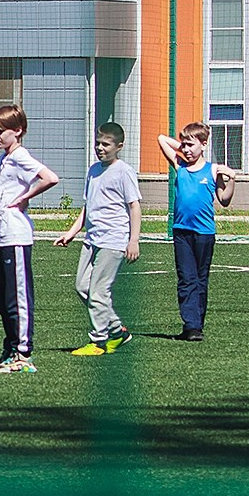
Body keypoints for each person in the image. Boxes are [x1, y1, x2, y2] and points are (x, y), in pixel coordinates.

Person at [53, 121, 142, 356]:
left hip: (113, 240)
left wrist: (133, 240)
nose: (100, 148)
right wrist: (71, 232)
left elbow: (134, 206)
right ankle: (118, 331)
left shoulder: (124, 172)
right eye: (98, 143)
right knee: (82, 287)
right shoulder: (93, 170)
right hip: (92, 239)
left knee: (99, 292)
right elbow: (88, 206)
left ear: (119, 146)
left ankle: (99, 341)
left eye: (106, 144)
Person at [0, 103, 58, 373]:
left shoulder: (20, 155)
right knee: (1, 298)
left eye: (1, 131)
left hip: (15, 236)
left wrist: (25, 197)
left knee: (17, 297)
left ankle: (23, 354)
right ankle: (10, 348)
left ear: (17, 131)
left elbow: (50, 178)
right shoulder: (6, 158)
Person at [156, 121, 237, 342]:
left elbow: (224, 200)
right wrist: (185, 146)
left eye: (191, 145)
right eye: (184, 145)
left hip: (204, 233)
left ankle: (197, 324)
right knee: (186, 278)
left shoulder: (212, 170)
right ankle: (190, 325)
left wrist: (232, 179)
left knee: (201, 279)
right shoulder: (180, 166)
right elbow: (162, 139)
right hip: (182, 232)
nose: (186, 149)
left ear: (204, 144)